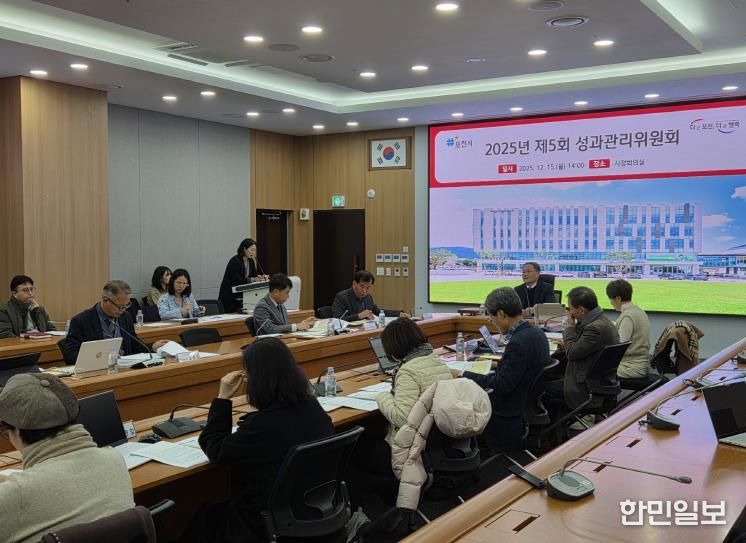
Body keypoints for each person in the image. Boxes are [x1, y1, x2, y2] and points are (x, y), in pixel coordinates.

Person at [181, 338, 335, 543]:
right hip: (316, 509)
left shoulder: (262, 425)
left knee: (206, 514)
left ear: (258, 380)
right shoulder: (312, 406)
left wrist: (222, 398)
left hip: (269, 521)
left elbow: (215, 449)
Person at [0, 373, 134, 542]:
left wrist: (12, 488)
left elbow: (26, 493)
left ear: (18, 430)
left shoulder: (15, 494)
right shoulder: (114, 459)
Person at [347, 318, 452, 509]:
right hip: (435, 446)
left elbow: (402, 418)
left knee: (351, 449)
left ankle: (359, 511)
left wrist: (382, 397)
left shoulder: (409, 370)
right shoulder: (435, 360)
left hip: (408, 452)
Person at [456, 287, 550, 452]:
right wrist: (494, 364)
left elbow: (501, 385)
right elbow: (522, 367)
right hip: (528, 405)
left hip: (508, 413)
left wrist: (462, 374)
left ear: (501, 314)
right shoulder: (536, 332)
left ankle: (463, 456)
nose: (491, 322)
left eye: (491, 317)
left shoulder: (517, 343)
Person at [545, 286, 620, 410]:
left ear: (581, 310)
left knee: (539, 388)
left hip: (584, 389)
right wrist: (570, 342)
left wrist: (570, 327)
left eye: (570, 309)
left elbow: (571, 354)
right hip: (599, 383)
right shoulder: (602, 321)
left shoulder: (594, 328)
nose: (569, 312)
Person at [60, 280, 167, 364]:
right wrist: (101, 357)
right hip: (98, 371)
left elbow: (134, 344)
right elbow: (70, 356)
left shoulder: (125, 317)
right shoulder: (81, 321)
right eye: (120, 306)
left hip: (125, 368)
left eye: (126, 306)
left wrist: (151, 347)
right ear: (105, 299)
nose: (123, 310)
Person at [606, 279, 651, 378]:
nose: (611, 303)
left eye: (611, 299)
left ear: (618, 298)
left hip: (630, 367)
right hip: (639, 365)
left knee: (593, 372)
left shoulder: (627, 316)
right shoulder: (639, 311)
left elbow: (619, 347)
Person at [331, 270, 408, 321]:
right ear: (354, 283)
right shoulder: (342, 297)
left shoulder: (368, 297)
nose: (364, 291)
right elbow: (337, 319)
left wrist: (398, 314)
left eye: (368, 287)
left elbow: (378, 311)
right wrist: (359, 316)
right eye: (362, 286)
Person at [218, 238, 269, 313]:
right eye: (252, 250)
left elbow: (254, 276)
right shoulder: (235, 261)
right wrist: (254, 279)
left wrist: (261, 278)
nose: (254, 252)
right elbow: (237, 280)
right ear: (244, 249)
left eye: (255, 250)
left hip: (242, 297)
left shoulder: (251, 261)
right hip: (229, 297)